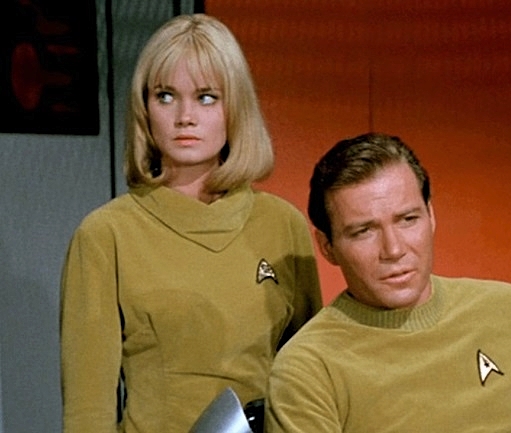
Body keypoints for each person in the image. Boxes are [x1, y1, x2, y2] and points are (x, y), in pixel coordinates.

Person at [265, 132, 511, 432]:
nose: (394, 249)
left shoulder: (510, 310)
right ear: (328, 247)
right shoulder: (308, 367)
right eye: (364, 231)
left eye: (408, 220)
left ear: (431, 217)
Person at [59, 14, 323, 433]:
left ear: (236, 107)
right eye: (166, 96)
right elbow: (88, 412)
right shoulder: (105, 235)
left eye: (206, 97)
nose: (185, 116)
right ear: (144, 108)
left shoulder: (282, 224)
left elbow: (309, 383)